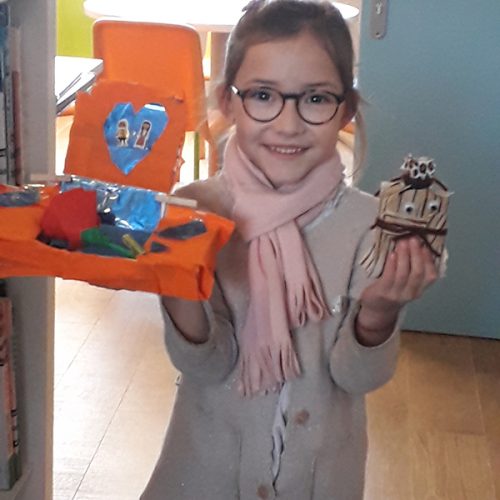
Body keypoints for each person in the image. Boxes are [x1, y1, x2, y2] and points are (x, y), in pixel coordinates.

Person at [141, 1, 439, 499]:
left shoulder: (370, 226)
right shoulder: (193, 213)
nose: (288, 123)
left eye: (316, 98)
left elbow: (357, 376)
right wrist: (175, 285)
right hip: (205, 476)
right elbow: (204, 365)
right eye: (263, 95)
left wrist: (380, 312)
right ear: (227, 101)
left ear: (346, 109)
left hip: (320, 480)